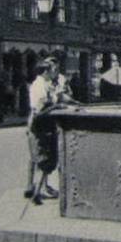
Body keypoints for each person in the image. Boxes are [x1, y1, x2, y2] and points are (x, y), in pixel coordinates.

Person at [25, 58, 77, 205]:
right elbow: (41, 108)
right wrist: (56, 106)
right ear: (46, 71)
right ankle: (36, 192)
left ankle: (38, 189)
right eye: (52, 70)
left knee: (43, 158)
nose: (55, 72)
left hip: (42, 125)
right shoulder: (40, 85)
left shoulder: (45, 83)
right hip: (40, 125)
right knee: (44, 159)